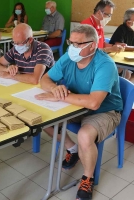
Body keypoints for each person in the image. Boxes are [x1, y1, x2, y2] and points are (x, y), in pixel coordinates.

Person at [35, 24, 122, 200]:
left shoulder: (105, 64)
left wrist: (60, 97)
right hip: (76, 104)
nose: (72, 48)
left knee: (84, 135)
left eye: (78, 44)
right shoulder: (68, 57)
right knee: (42, 120)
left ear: (93, 45)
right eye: (71, 43)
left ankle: (87, 179)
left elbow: (94, 103)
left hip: (106, 110)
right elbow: (45, 79)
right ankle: (72, 149)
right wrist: (54, 89)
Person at [109, 8, 134, 80]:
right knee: (126, 74)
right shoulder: (121, 29)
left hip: (129, 59)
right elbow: (119, 46)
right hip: (117, 59)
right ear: (128, 21)